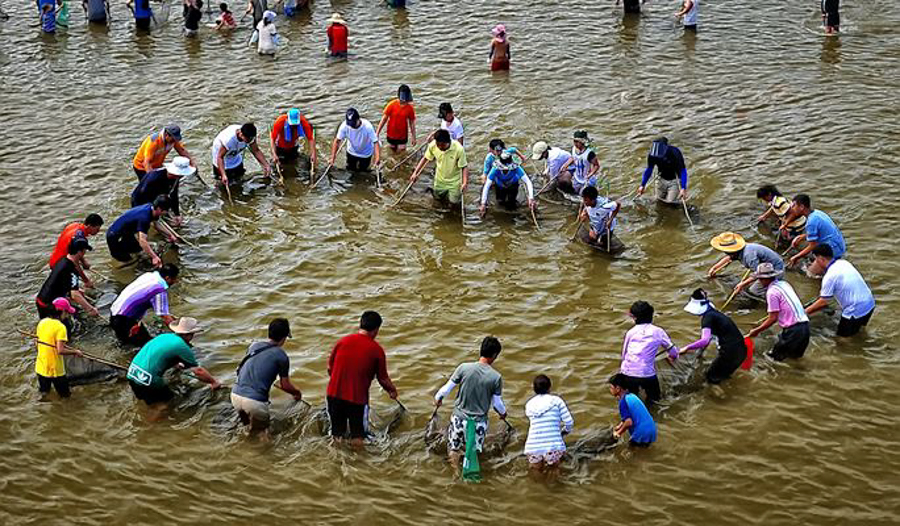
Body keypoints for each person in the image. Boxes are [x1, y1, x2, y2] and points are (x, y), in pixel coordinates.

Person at [433, 337, 507, 474]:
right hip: (478, 423)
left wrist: (438, 399)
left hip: (458, 419)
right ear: (495, 355)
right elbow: (497, 404)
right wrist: (503, 414)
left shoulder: (463, 368)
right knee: (473, 451)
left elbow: (446, 389)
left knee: (454, 448)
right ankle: (471, 471)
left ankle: (455, 471)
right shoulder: (495, 377)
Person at [326, 311, 398, 445]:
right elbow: (383, 378)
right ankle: (358, 463)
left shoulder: (342, 342)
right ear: (376, 329)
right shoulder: (377, 350)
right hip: (357, 399)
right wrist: (392, 391)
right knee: (358, 436)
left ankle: (336, 463)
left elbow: (330, 369)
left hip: (333, 395)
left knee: (337, 435)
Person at [126, 317, 220, 411]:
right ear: (188, 335)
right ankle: (150, 425)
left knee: (150, 402)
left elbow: (158, 355)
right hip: (149, 381)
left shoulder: (164, 337)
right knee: (164, 405)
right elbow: (198, 371)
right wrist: (213, 382)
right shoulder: (182, 346)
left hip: (131, 373)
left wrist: (175, 365)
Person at [231, 318, 303, 437]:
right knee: (263, 434)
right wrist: (297, 393)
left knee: (247, 429)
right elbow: (285, 385)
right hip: (254, 402)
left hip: (235, 395)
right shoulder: (281, 356)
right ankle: (260, 454)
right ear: (284, 337)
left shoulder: (254, 346)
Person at [805, 245, 875, 337]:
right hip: (870, 303)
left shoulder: (829, 276)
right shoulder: (843, 263)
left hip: (854, 310)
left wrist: (803, 312)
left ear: (821, 259)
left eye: (816, 259)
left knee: (842, 340)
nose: (815, 263)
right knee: (859, 332)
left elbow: (823, 301)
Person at [681, 289, 747, 384]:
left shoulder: (707, 318)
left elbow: (705, 340)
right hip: (741, 351)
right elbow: (709, 338)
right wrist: (699, 354)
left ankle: (719, 396)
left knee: (710, 377)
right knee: (722, 376)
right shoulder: (715, 314)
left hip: (730, 354)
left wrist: (687, 348)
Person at [746, 263, 810, 361]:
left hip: (793, 331)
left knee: (773, 360)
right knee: (794, 359)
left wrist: (756, 331)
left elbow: (773, 318)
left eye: (760, 279)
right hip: (805, 327)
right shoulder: (784, 284)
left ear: (765, 279)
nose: (759, 281)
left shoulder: (771, 292)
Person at [619, 301, 678, 406]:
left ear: (634, 317)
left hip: (628, 372)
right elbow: (673, 351)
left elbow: (624, 355)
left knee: (632, 401)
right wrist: (672, 357)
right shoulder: (658, 331)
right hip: (647, 374)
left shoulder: (631, 332)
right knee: (655, 400)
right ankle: (655, 417)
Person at [109, 265, 179, 347]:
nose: (175, 281)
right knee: (147, 346)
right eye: (174, 279)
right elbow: (165, 317)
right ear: (167, 278)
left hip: (114, 311)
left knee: (126, 345)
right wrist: (180, 333)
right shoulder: (159, 290)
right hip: (124, 320)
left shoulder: (148, 275)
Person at [37, 238, 100, 321]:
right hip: (50, 305)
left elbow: (61, 282)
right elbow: (75, 295)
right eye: (84, 250)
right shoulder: (71, 269)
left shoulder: (63, 260)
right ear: (79, 252)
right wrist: (90, 309)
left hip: (40, 301)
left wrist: (74, 290)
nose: (84, 253)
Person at [523, 374, 573, 478]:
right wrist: (564, 431)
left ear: (534, 389)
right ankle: (553, 491)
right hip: (552, 445)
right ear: (549, 387)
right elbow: (569, 422)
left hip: (533, 445)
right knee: (554, 469)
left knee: (536, 470)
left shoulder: (529, 404)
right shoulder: (557, 401)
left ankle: (538, 491)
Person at [708, 232, 784, 299]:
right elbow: (729, 258)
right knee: (749, 285)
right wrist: (714, 268)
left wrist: (741, 285)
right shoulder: (739, 250)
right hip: (763, 267)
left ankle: (774, 298)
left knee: (754, 291)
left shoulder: (749, 256)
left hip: (775, 270)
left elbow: (757, 274)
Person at [35, 298, 84, 399]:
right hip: (56, 370)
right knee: (66, 396)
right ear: (62, 311)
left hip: (41, 367)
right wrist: (75, 351)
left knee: (44, 394)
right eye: (67, 313)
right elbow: (60, 350)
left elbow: (37, 343)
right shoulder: (61, 327)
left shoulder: (42, 322)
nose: (67, 315)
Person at [105, 196, 174, 265]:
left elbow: (156, 225)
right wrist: (154, 257)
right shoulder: (144, 218)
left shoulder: (151, 208)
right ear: (159, 209)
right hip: (114, 237)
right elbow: (142, 240)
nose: (167, 212)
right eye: (166, 210)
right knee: (129, 262)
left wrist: (170, 235)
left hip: (127, 233)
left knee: (138, 250)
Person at [409, 129, 469, 209]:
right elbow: (425, 158)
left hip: (454, 182)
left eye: (443, 145)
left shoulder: (459, 149)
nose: (440, 147)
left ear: (448, 142)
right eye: (438, 145)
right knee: (437, 199)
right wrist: (415, 173)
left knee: (454, 204)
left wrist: (464, 183)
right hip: (439, 179)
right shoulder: (433, 146)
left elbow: (464, 167)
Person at [131, 156, 195, 227]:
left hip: (157, 197)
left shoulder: (175, 178)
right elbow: (142, 195)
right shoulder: (154, 178)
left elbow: (174, 194)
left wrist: (177, 214)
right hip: (141, 200)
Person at [786, 194, 846, 268]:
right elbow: (820, 232)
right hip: (839, 246)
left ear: (801, 207)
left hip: (832, 251)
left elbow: (813, 245)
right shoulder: (817, 213)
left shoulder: (811, 222)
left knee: (811, 273)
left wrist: (796, 257)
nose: (792, 208)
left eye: (794, 206)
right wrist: (802, 237)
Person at [48, 214, 104, 287]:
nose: (98, 231)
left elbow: (73, 250)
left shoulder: (74, 225)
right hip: (61, 266)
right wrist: (86, 281)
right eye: (97, 229)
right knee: (72, 290)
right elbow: (74, 263)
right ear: (90, 226)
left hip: (54, 260)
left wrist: (84, 262)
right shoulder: (79, 239)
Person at [479, 150, 535, 214]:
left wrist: (531, 198)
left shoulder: (516, 168)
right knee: (500, 201)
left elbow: (528, 182)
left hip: (513, 184)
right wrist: (483, 203)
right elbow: (487, 186)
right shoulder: (495, 169)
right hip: (500, 186)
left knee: (512, 202)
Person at [637, 137, 688, 205]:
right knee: (659, 200)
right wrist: (642, 185)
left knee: (670, 203)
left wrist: (683, 188)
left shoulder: (675, 153)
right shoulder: (652, 155)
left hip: (674, 180)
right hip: (661, 178)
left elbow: (682, 170)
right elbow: (649, 169)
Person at [608, 373, 656, 446]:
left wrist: (618, 433)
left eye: (611, 387)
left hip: (641, 432)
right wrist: (620, 425)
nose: (610, 390)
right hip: (651, 429)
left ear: (617, 389)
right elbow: (630, 415)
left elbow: (629, 422)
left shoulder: (623, 402)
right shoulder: (632, 396)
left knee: (632, 450)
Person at [330, 108, 380, 173]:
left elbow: (375, 142)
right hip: (351, 151)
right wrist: (333, 158)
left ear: (358, 119)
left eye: (353, 123)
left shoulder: (368, 126)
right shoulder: (344, 126)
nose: (351, 126)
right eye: (350, 124)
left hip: (366, 153)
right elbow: (337, 141)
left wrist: (377, 158)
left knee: (363, 172)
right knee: (350, 170)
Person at [375, 85, 417, 152]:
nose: (404, 101)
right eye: (402, 99)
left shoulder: (410, 108)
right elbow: (384, 119)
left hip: (402, 135)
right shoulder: (391, 105)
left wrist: (414, 137)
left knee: (401, 151)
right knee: (391, 150)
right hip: (391, 134)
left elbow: (412, 123)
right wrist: (377, 133)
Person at [556, 131, 599, 195]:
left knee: (583, 195)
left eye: (577, 141)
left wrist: (590, 175)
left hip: (587, 180)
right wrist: (566, 165)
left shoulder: (589, 153)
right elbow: (573, 158)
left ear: (582, 142)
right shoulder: (574, 149)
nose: (575, 143)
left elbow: (596, 166)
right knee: (575, 193)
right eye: (574, 141)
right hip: (577, 178)